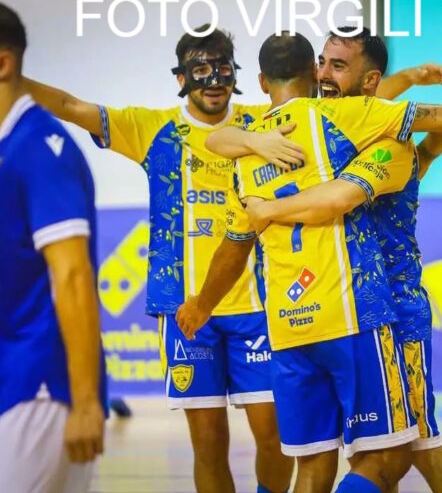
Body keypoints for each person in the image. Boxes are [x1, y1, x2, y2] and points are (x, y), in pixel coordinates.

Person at [177, 31, 442, 493]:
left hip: (358, 314)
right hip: (357, 313)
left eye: (338, 66)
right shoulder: (345, 124)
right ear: (311, 72)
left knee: (406, 449)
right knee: (393, 452)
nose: (327, 75)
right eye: (324, 65)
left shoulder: (349, 135)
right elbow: (354, 128)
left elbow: (226, 152)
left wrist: (262, 197)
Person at [23, 26, 297, 493]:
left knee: (276, 437)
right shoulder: (152, 128)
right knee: (209, 442)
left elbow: (334, 113)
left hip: (260, 308)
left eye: (223, 69)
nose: (214, 79)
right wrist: (5, 81)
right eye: (201, 69)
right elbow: (70, 108)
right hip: (186, 312)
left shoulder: (262, 120)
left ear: (237, 76)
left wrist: (401, 81)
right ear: (181, 78)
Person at [0, 0, 107, 492]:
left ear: (2, 63)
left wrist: (86, 401)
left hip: (42, 395)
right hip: (1, 394)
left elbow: (72, 275)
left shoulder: (41, 148)